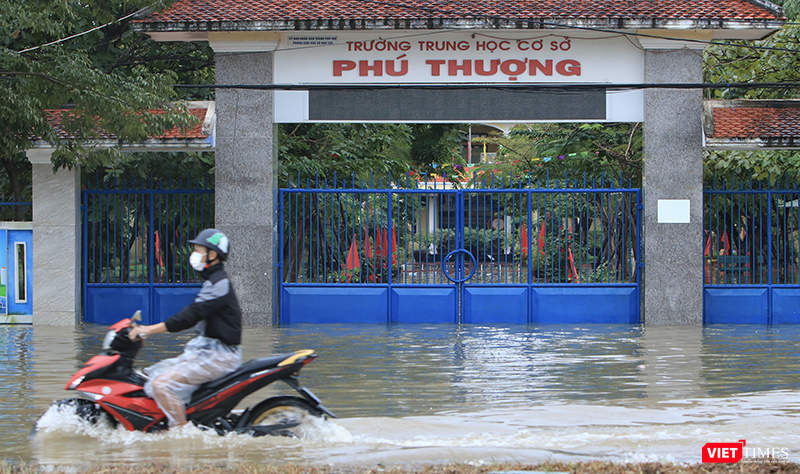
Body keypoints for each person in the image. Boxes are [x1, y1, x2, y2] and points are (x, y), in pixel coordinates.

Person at [128, 228, 243, 428]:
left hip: (218, 357)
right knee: (150, 375)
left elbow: (189, 316)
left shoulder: (219, 284)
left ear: (212, 254)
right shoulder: (212, 282)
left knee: (161, 385)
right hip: (205, 353)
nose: (194, 255)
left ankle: (183, 435)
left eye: (198, 250)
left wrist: (149, 330)